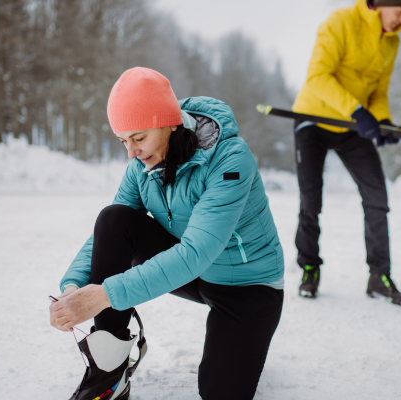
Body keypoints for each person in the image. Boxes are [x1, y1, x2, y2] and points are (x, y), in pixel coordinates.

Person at [49, 67, 284, 400]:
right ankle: (110, 366)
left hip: (248, 286)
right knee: (115, 219)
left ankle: (246, 342)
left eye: (139, 138)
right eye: (123, 141)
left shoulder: (231, 160)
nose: (131, 152)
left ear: (170, 122)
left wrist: (101, 295)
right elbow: (107, 236)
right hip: (195, 276)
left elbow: (197, 253)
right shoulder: (140, 168)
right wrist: (74, 286)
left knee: (221, 392)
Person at [292, 0, 401, 304]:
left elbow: (379, 91)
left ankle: (379, 276)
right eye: (400, 11)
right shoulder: (340, 22)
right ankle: (309, 268)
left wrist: (381, 120)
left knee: (376, 197)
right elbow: (317, 77)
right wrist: (357, 111)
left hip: (351, 124)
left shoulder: (391, 41)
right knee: (311, 199)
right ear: (382, 5)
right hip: (313, 120)